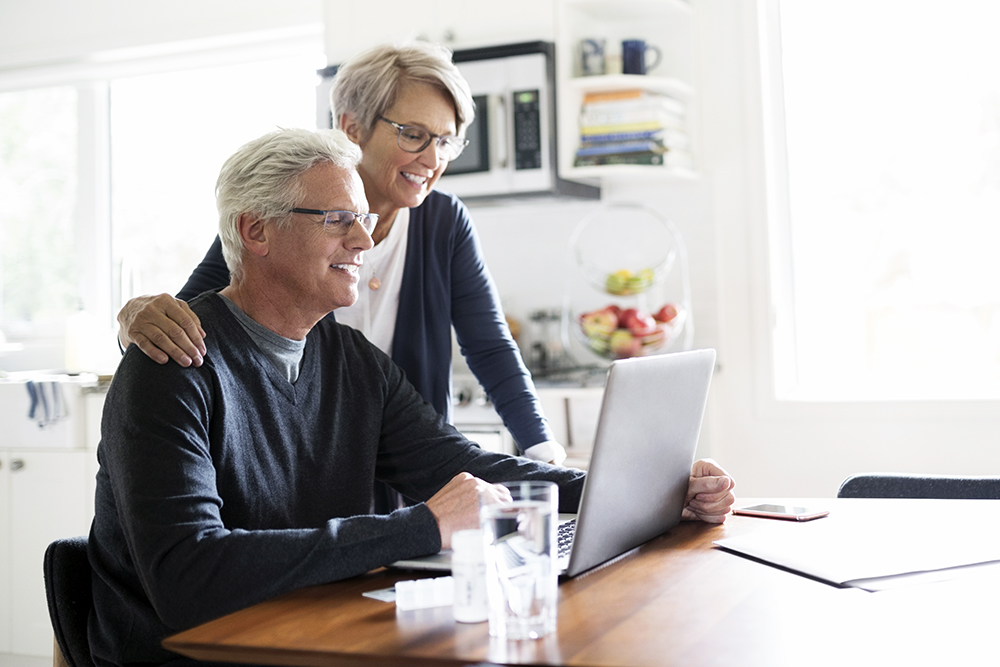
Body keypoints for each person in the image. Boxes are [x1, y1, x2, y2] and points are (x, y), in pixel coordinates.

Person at [88, 127, 736, 667]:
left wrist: (645, 490)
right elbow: (188, 579)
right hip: (195, 652)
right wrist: (423, 524)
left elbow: (472, 470)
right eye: (339, 220)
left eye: (364, 220)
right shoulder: (172, 366)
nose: (366, 243)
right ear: (256, 231)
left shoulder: (354, 364)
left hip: (309, 634)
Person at [116, 42, 566, 487]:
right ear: (352, 127)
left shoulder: (443, 223)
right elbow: (186, 320)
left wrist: (544, 452)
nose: (433, 160)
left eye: (446, 141)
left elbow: (490, 348)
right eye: (413, 134)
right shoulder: (281, 215)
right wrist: (132, 322)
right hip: (301, 471)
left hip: (406, 463)